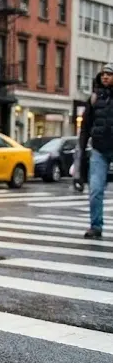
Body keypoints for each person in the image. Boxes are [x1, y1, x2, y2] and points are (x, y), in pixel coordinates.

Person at [79, 63, 113, 239]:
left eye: (109, 74)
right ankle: (96, 226)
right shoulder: (93, 99)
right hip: (99, 150)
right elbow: (85, 127)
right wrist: (82, 149)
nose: (105, 77)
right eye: (103, 74)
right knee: (95, 190)